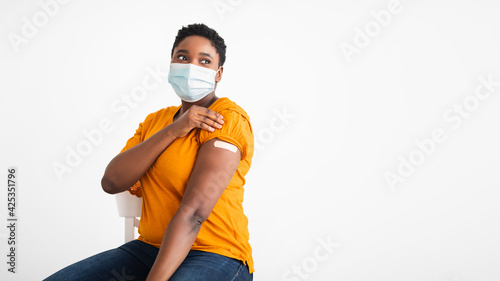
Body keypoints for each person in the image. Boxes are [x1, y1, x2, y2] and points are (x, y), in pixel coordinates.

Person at [44, 23, 254, 281]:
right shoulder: (156, 121)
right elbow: (112, 182)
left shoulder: (226, 119)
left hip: (216, 254)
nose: (191, 67)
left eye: (204, 61)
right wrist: (175, 129)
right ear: (171, 63)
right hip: (150, 249)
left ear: (218, 74)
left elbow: (195, 214)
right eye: (183, 57)